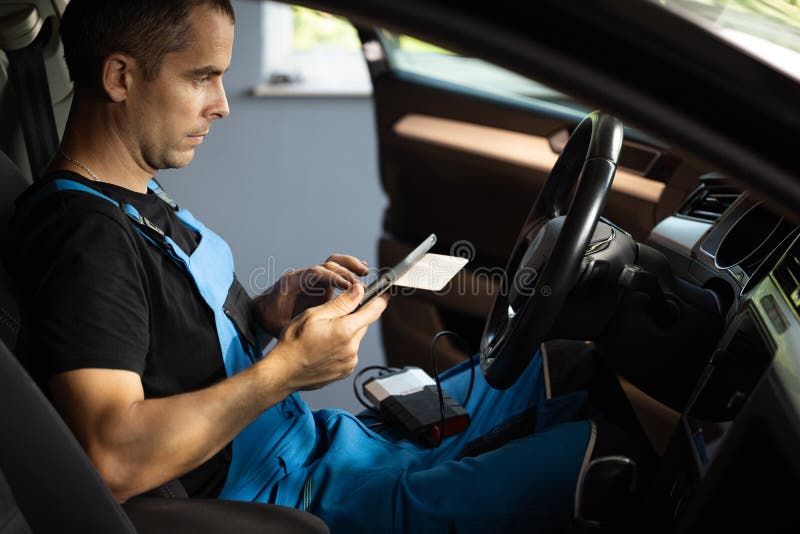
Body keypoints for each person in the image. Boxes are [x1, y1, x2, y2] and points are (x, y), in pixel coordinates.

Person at [11, 1, 645, 532]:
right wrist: (287, 370)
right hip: (294, 498)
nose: (222, 104)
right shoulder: (84, 237)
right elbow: (111, 457)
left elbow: (172, 345)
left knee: (562, 368)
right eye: (202, 77)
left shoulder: (135, 196)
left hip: (326, 446)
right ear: (120, 76)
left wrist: (268, 313)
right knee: (600, 460)